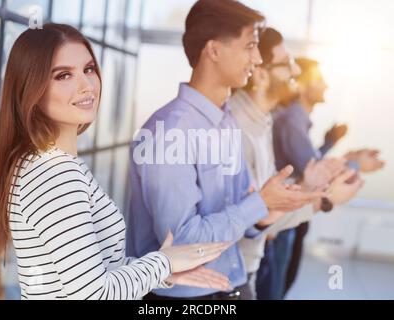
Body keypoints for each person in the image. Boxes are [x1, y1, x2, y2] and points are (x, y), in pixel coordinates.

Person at [0, 23, 233, 300]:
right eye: (63, 75)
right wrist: (165, 262)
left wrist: (159, 270)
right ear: (32, 89)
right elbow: (94, 294)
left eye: (89, 69)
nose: (86, 85)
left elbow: (95, 274)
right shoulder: (55, 174)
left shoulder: (46, 163)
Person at [126, 0, 326, 300]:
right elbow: (183, 244)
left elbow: (242, 211)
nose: (257, 58)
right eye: (250, 46)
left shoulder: (226, 122)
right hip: (182, 298)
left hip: (231, 283)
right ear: (214, 50)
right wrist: (258, 204)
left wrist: (263, 214)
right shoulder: (170, 131)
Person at [230, 27, 363, 299]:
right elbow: (252, 216)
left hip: (250, 257)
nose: (293, 73)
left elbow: (266, 204)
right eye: (286, 64)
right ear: (261, 73)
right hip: (238, 267)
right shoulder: (251, 124)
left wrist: (311, 187)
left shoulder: (264, 122)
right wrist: (323, 195)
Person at [272, 57, 385, 296]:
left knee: (282, 283)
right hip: (283, 215)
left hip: (290, 211)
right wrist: (354, 162)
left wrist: (330, 144)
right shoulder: (292, 121)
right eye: (319, 80)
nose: (325, 86)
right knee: (274, 288)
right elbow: (316, 173)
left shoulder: (296, 120)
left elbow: (308, 164)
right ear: (302, 85)